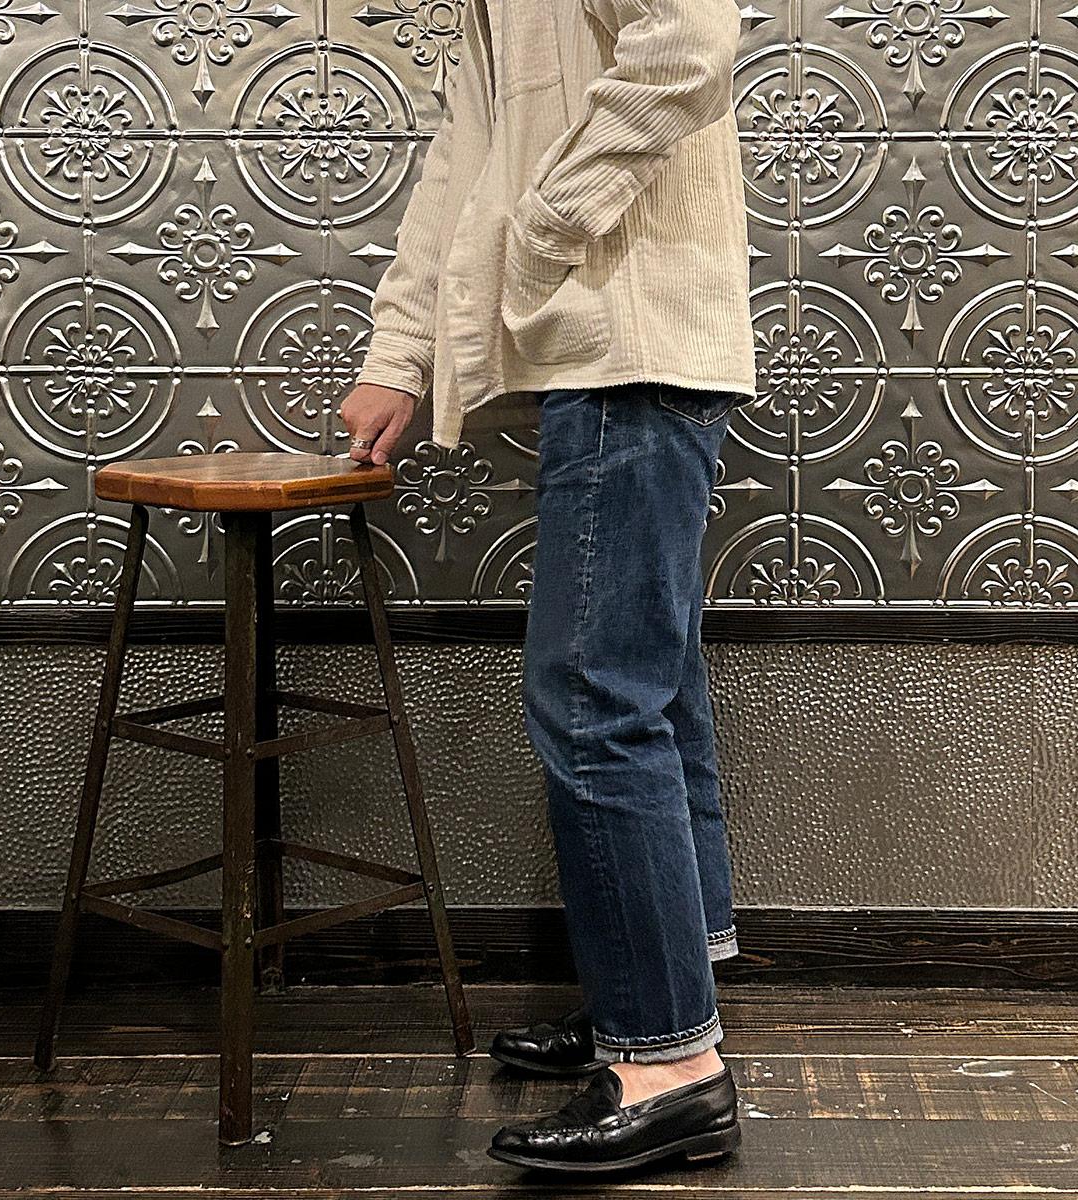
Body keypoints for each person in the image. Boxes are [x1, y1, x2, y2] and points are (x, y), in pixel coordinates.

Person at [341, 0, 755, 1175]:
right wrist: (398, 358)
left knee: (594, 700)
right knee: (650, 694)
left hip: (636, 344)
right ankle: (654, 994)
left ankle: (670, 1065)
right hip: (611, 349)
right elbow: (465, 157)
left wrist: (548, 223)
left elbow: (689, 45)